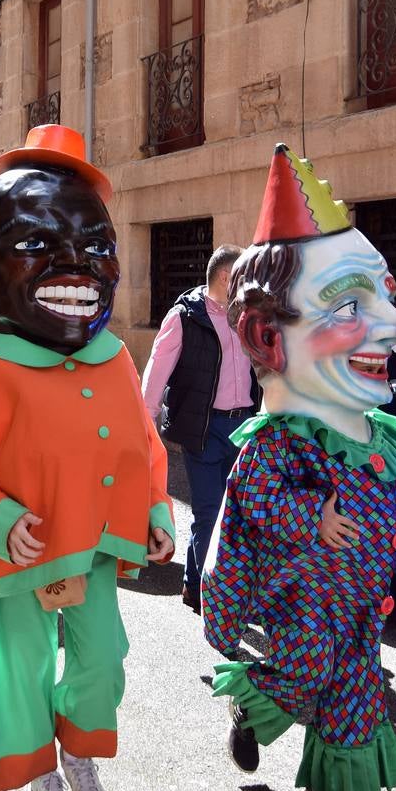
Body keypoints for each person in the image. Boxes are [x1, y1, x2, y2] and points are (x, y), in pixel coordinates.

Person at [0, 125, 175, 791]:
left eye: (95, 246)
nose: (76, 265)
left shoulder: (112, 357)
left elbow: (143, 443)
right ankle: (39, 770)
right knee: (20, 667)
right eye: (35, 247)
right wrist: (0, 519)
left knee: (103, 659)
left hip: (97, 540)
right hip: (24, 550)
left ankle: (78, 752)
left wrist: (156, 511)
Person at [202, 145, 396, 791]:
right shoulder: (277, 441)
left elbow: (391, 492)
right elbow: (254, 495)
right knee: (299, 676)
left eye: (384, 294)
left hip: (359, 613)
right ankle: (252, 707)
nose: (392, 321)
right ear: (269, 335)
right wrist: (310, 518)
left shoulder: (372, 428)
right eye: (350, 304)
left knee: (355, 708)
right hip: (306, 607)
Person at [140, 244, 260, 614]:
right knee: (209, 513)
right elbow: (155, 376)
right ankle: (209, 594)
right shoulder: (184, 317)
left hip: (245, 427)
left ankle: (208, 584)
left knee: (240, 515)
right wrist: (144, 429)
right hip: (204, 429)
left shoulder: (248, 315)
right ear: (226, 277)